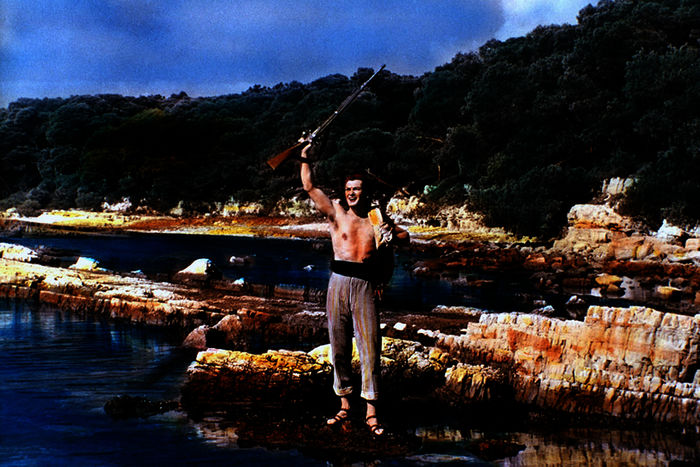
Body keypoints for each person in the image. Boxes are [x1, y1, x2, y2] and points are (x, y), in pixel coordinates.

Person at [299, 142, 409, 436]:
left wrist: (392, 234)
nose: (351, 193)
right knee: (338, 345)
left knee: (370, 347)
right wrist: (304, 157)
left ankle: (372, 412)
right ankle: (345, 405)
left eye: (356, 189)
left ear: (365, 191)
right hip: (337, 283)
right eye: (348, 188)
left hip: (366, 285)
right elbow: (309, 186)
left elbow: (403, 239)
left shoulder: (375, 216)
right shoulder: (336, 211)